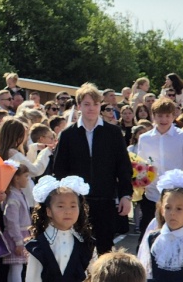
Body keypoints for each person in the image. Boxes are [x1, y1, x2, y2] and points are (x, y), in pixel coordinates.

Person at [52, 83, 133, 254]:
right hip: (77, 203)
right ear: (79, 106)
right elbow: (59, 170)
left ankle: (102, 281)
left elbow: (123, 167)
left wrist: (126, 195)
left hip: (106, 200)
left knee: (105, 250)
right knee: (78, 250)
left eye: (96, 104)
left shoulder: (113, 133)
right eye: (87, 104)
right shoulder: (68, 135)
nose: (92, 108)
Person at [135, 98, 183, 236]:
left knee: (177, 231)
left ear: (173, 116)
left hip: (176, 194)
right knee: (149, 232)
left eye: (167, 115)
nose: (164, 119)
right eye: (160, 115)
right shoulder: (145, 138)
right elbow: (141, 165)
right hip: (152, 195)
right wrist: (139, 183)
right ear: (153, 116)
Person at [2, 162, 31, 282]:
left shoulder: (18, 193)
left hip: (21, 234)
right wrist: (18, 241)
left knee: (15, 266)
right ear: (16, 178)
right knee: (16, 267)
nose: (28, 179)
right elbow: (12, 221)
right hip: (17, 235)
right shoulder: (13, 196)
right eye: (25, 176)